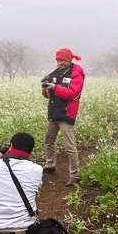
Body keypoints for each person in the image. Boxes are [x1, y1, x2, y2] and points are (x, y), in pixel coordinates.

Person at [41, 48, 85, 187]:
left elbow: (72, 94)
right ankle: (50, 165)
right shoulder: (55, 73)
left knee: (69, 146)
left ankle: (74, 174)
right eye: (57, 60)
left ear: (69, 59)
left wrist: (54, 86)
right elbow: (46, 94)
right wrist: (45, 86)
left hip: (67, 113)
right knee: (48, 140)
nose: (59, 63)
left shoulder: (76, 75)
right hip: (54, 112)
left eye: (61, 60)